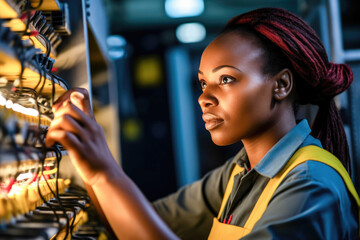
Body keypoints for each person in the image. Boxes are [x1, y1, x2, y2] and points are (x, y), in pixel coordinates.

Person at [45, 7, 359, 240]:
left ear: (281, 85)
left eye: (226, 79)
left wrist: (104, 171)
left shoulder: (311, 187)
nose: (204, 98)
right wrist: (88, 161)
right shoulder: (238, 173)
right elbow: (140, 222)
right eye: (202, 83)